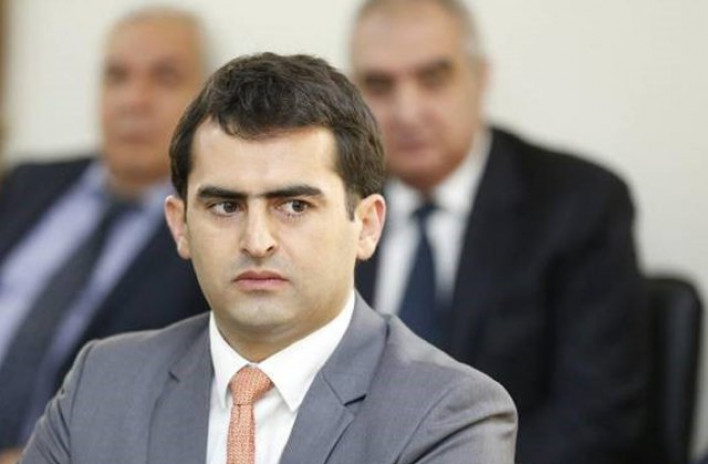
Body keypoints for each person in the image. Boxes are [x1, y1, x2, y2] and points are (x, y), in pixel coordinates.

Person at [20, 52, 518, 464]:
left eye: (294, 206)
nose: (257, 241)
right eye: (225, 206)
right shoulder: (101, 384)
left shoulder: (449, 413)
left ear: (367, 226)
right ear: (180, 225)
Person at [349, 0, 649, 463]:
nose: (407, 112)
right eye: (380, 86)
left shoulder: (578, 204)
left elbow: (597, 418)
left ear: (481, 78)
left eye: (433, 78)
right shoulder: (329, 206)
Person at [0, 7, 209, 458]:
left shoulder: (211, 231)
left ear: (206, 102)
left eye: (165, 78)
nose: (134, 100)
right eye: (117, 77)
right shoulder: (25, 184)